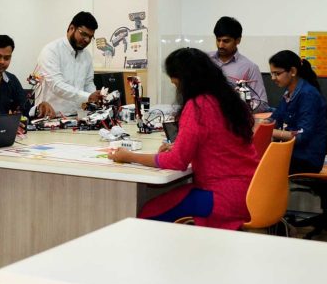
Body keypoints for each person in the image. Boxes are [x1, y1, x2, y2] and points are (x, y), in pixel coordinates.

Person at [107, 47, 258, 229]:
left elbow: (177, 161)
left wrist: (128, 156)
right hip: (250, 192)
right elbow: (219, 144)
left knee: (149, 213)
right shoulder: (227, 100)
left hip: (221, 197)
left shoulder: (198, 106)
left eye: (176, 83)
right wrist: (181, 147)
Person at [31, 11, 103, 117]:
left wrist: (94, 98)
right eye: (84, 34)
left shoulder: (86, 55)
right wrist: (88, 96)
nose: (87, 40)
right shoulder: (51, 51)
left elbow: (88, 83)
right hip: (50, 118)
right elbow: (56, 85)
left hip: (77, 117)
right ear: (71, 28)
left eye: (90, 37)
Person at [267, 50, 327, 174]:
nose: (273, 78)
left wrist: (271, 132)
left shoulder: (308, 95)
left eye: (277, 74)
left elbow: (301, 136)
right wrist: (261, 124)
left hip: (305, 159)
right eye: (271, 74)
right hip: (294, 153)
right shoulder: (289, 92)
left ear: (293, 71)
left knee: (258, 163)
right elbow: (276, 117)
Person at [208, 16, 267, 106]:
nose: (220, 45)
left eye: (226, 41)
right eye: (218, 40)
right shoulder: (205, 60)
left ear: (238, 40)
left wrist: (238, 109)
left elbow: (261, 103)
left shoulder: (250, 67)